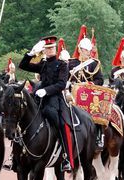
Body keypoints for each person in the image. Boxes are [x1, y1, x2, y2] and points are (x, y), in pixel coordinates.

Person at [19, 35, 72, 172]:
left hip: (54, 100)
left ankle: (66, 156)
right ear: (44, 50)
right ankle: (16, 156)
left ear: (56, 49)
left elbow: (61, 84)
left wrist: (46, 91)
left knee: (60, 123)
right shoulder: (42, 64)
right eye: (47, 49)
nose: (50, 51)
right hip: (39, 99)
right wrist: (31, 53)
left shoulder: (62, 65)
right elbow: (23, 65)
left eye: (52, 48)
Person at [68, 25, 104, 148]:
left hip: (89, 94)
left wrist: (91, 84)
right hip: (74, 94)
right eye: (85, 50)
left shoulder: (94, 63)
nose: (88, 53)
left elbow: (100, 79)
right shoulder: (72, 63)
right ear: (79, 50)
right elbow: (66, 79)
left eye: (89, 51)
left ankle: (99, 136)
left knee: (98, 111)